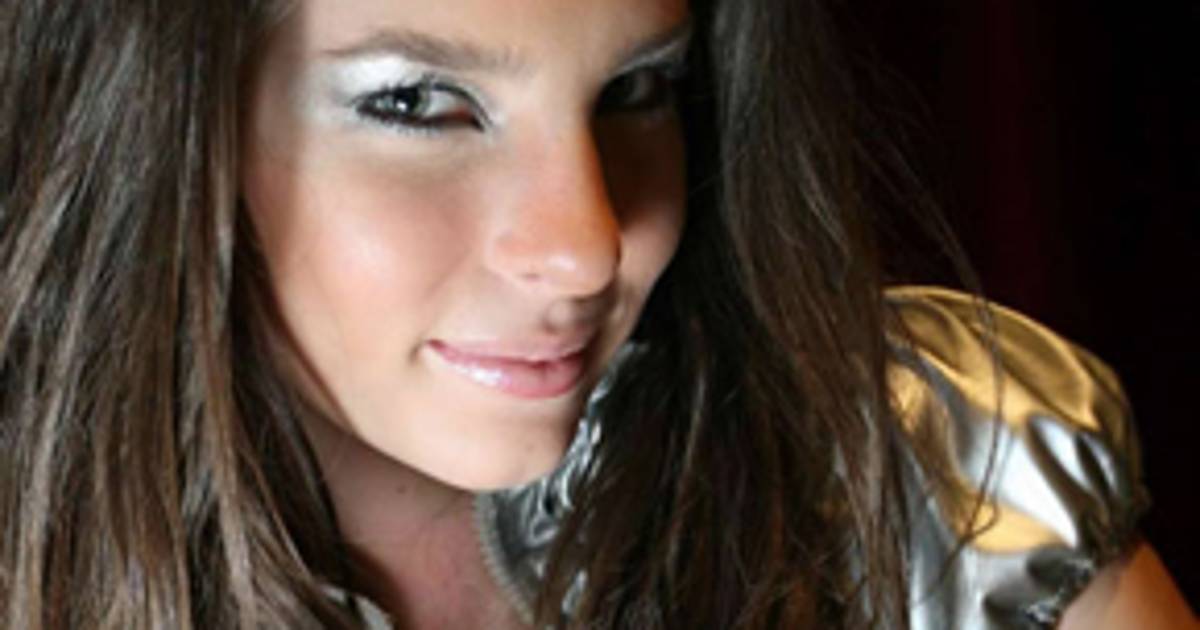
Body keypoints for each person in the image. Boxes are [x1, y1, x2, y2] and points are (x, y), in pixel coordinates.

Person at [1, 0, 1195, 628]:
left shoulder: (929, 473)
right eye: (419, 103)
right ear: (164, 129)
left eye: (637, 89)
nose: (586, 244)